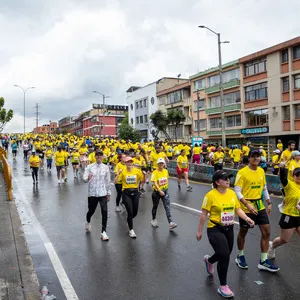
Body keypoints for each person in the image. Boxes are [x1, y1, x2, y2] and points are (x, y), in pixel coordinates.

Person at [196, 170, 255, 299]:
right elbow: (203, 215)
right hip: (215, 228)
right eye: (225, 178)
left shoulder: (232, 194)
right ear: (217, 182)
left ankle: (209, 261)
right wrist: (199, 231)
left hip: (229, 228)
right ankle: (223, 286)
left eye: (228, 178)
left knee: (225, 253)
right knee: (224, 255)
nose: (228, 180)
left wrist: (247, 218)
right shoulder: (210, 196)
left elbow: (237, 209)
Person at [234, 148, 279, 272]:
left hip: (259, 204)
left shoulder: (261, 171)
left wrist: (269, 202)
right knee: (243, 232)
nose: (256, 158)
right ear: (249, 158)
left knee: (267, 231)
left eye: (258, 156)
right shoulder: (242, 172)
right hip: (245, 206)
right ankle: (240, 256)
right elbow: (237, 191)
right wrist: (247, 204)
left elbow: (264, 188)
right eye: (253, 156)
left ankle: (263, 261)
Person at [267, 165, 300, 259]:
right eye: (296, 175)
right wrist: (282, 168)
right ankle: (272, 246)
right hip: (289, 216)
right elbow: (283, 178)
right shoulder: (289, 185)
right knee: (284, 240)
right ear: (293, 176)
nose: (298, 176)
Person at [83, 151, 111, 241]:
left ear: (102, 157)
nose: (99, 157)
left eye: (100, 155)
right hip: (93, 193)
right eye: (97, 155)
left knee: (105, 211)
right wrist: (88, 178)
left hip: (103, 193)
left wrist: (109, 193)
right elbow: (84, 179)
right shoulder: (89, 167)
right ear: (95, 157)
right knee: (91, 211)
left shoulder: (106, 168)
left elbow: (108, 181)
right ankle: (87, 221)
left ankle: (103, 232)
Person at [114, 156, 144, 238]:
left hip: (135, 193)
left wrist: (141, 185)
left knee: (135, 212)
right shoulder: (123, 172)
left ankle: (129, 220)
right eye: (128, 162)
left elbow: (142, 180)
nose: (129, 163)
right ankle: (131, 230)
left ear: (132, 163)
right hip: (126, 193)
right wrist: (118, 174)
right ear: (125, 163)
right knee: (130, 212)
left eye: (131, 162)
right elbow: (115, 182)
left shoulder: (137, 171)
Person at [150, 158, 177, 230]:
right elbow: (155, 182)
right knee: (155, 206)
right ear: (157, 164)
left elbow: (166, 180)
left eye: (162, 163)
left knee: (167, 207)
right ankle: (153, 220)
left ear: (164, 164)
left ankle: (171, 223)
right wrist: (159, 191)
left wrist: (165, 189)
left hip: (165, 191)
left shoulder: (165, 171)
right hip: (157, 192)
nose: (161, 165)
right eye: (160, 163)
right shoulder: (154, 172)